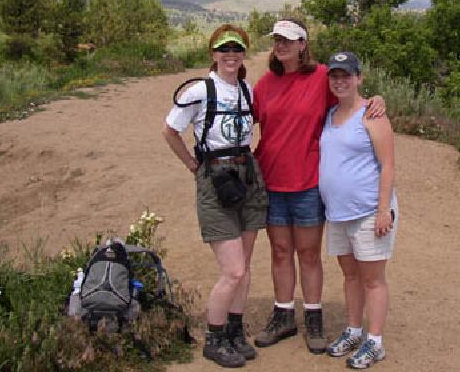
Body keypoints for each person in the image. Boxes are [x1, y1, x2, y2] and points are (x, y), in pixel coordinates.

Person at [251, 19, 385, 355]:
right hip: (272, 180)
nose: (281, 45)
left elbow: (350, 94)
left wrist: (376, 100)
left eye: (289, 40)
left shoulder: (321, 77)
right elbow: (243, 120)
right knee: (280, 251)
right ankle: (283, 315)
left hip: (309, 182)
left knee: (308, 253)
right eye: (277, 40)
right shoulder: (265, 85)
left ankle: (313, 317)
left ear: (302, 45)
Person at [163, 24, 267, 369]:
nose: (231, 55)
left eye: (237, 49)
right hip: (215, 178)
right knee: (233, 270)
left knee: (246, 266)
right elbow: (170, 130)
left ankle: (235, 332)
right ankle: (215, 338)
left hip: (246, 175)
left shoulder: (246, 89)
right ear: (213, 54)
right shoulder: (199, 90)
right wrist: (194, 166)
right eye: (224, 49)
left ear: (243, 54)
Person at [319, 51, 398, 370]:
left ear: (359, 78)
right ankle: (353, 331)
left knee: (373, 280)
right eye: (335, 76)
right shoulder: (330, 114)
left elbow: (389, 164)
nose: (340, 81)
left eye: (346, 75)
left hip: (368, 211)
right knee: (350, 275)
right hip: (338, 213)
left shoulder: (372, 114)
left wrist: (384, 210)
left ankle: (375, 342)